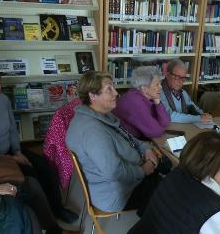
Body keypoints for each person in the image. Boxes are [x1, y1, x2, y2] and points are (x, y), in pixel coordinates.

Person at [0, 61, 78, 223]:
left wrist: (17, 152)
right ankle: (47, 218)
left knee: (46, 166)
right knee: (33, 177)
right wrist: (12, 159)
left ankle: (57, 209)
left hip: (9, 151)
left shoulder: (2, 99)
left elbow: (13, 130)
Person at [66, 71, 162, 214]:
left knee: (163, 178)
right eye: (109, 90)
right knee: (166, 191)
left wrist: (146, 148)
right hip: (115, 195)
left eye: (113, 87)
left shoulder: (100, 115)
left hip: (124, 179)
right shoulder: (93, 131)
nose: (116, 93)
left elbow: (129, 139)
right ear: (93, 96)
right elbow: (115, 172)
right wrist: (143, 170)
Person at [112, 66, 170, 140]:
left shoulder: (148, 97)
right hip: (124, 143)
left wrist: (158, 102)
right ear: (144, 88)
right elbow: (155, 132)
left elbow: (165, 122)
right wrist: (157, 125)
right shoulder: (134, 101)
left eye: (160, 83)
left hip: (136, 140)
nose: (161, 87)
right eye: (157, 84)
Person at [160, 59, 213, 123]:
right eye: (177, 77)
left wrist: (203, 114)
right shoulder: (159, 92)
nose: (180, 81)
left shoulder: (183, 93)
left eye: (183, 78)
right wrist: (199, 118)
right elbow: (169, 116)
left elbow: (194, 107)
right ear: (168, 75)